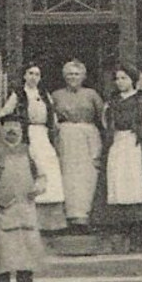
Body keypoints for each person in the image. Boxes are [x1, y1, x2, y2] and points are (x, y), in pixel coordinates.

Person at [0, 115, 49, 282]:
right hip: (1, 207)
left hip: (25, 205)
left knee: (27, 249)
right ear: (1, 129)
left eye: (16, 126)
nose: (12, 130)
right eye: (8, 126)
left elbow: (42, 176)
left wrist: (39, 187)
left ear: (21, 130)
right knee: (2, 251)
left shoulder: (30, 151)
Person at [0, 64, 65, 226]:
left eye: (37, 74)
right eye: (30, 73)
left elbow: (53, 117)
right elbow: (4, 114)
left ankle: (50, 221)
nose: (33, 77)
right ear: (24, 76)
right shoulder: (18, 94)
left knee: (48, 168)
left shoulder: (44, 94)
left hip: (43, 134)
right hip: (26, 135)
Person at [100, 64, 142, 230]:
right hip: (117, 141)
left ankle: (136, 219)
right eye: (117, 79)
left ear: (132, 79)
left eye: (123, 78)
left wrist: (140, 136)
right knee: (116, 175)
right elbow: (106, 122)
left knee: (133, 176)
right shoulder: (111, 101)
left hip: (134, 142)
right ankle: (118, 218)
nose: (119, 82)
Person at [50, 60, 105, 228]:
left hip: (88, 137)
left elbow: (102, 117)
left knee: (87, 175)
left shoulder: (91, 94)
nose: (73, 78)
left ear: (83, 76)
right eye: (69, 74)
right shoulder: (57, 95)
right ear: (64, 76)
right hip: (66, 137)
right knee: (68, 175)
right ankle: (70, 216)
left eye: (76, 74)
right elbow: (50, 118)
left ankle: (86, 216)